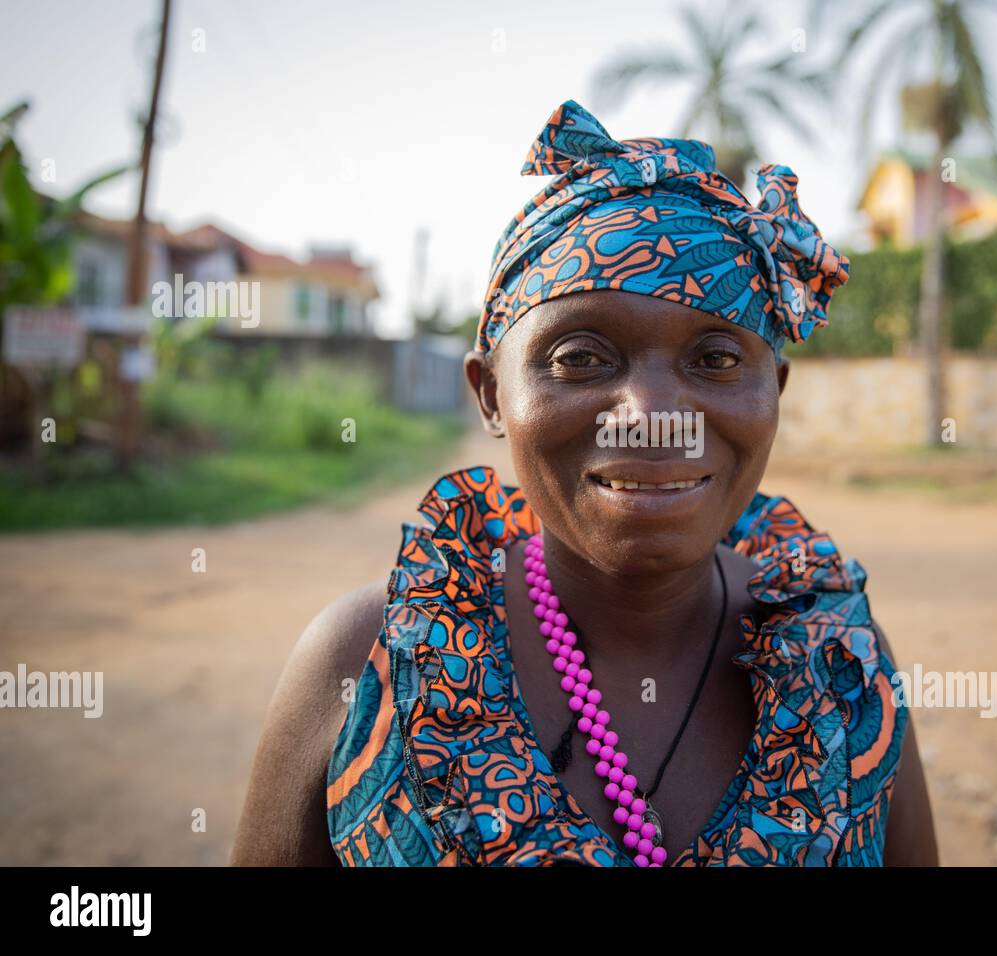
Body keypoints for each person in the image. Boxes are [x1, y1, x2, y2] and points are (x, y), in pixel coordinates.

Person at [231, 99, 938, 867]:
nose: (654, 416)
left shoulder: (839, 665)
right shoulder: (366, 665)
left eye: (718, 359)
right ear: (492, 395)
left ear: (777, 391)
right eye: (581, 358)